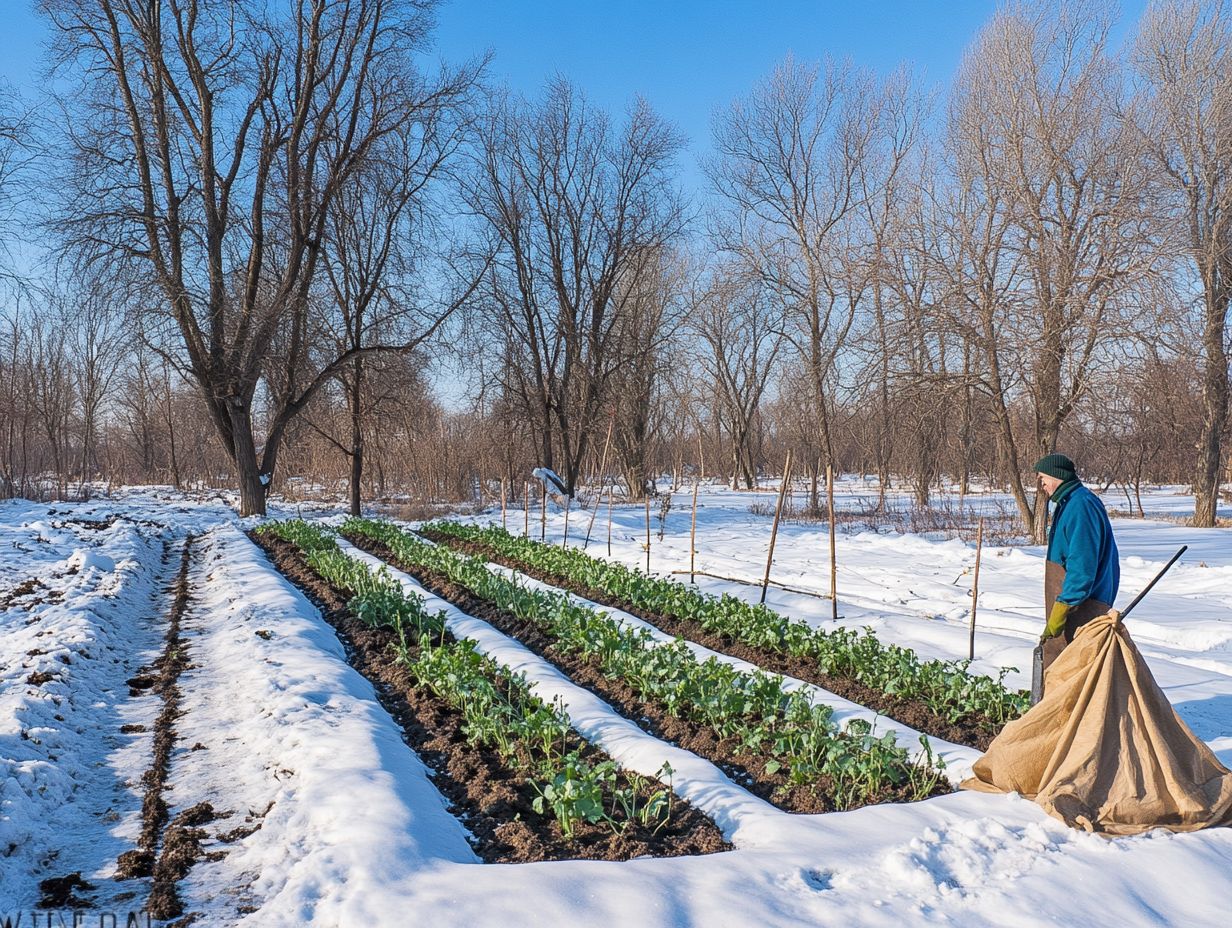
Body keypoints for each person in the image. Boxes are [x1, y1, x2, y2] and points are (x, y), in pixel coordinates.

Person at [1035, 453, 1120, 679]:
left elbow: (1082, 565)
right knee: (1063, 667)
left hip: (1083, 607)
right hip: (1074, 604)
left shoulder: (1081, 505)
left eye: (1043, 477)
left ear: (1057, 476)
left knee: (1074, 670)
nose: (1041, 483)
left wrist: (1063, 606)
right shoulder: (1068, 503)